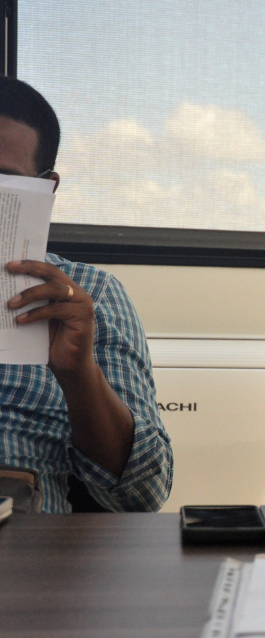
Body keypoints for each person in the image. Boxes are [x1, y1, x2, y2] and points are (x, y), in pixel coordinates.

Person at [0, 76, 172, 512]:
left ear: (46, 188)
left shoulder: (87, 296)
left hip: (24, 540)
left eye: (3, 181)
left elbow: (143, 495)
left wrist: (79, 376)